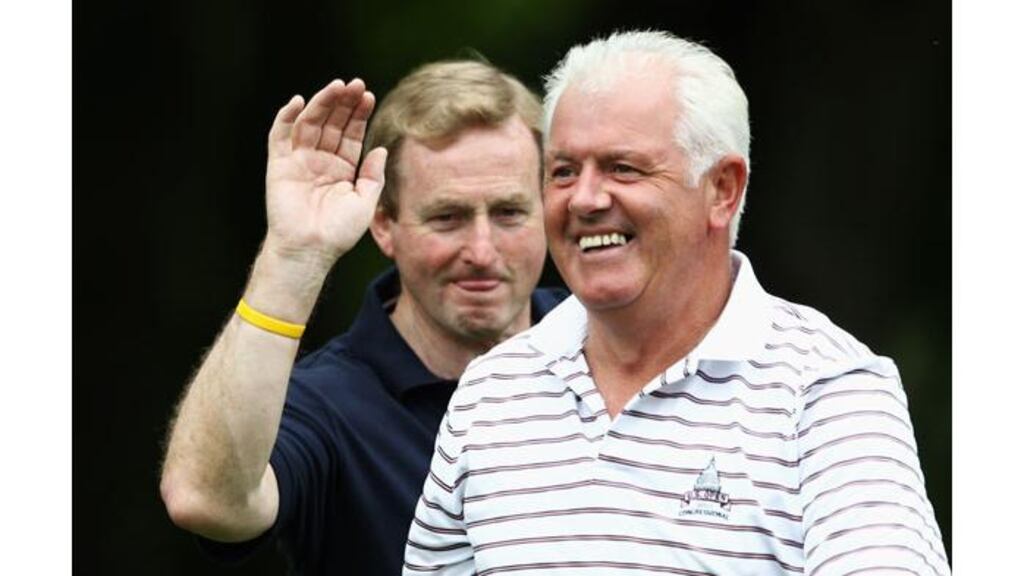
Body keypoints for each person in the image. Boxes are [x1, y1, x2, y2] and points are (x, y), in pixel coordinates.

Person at [404, 31, 950, 575]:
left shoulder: (826, 390)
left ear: (722, 189)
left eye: (624, 168)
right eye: (564, 171)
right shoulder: (491, 391)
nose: (586, 199)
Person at [159, 60, 564, 576]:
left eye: (509, 213)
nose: (482, 251)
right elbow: (205, 500)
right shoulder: (329, 403)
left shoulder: (614, 348)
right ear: (384, 225)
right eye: (447, 217)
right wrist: (293, 253)